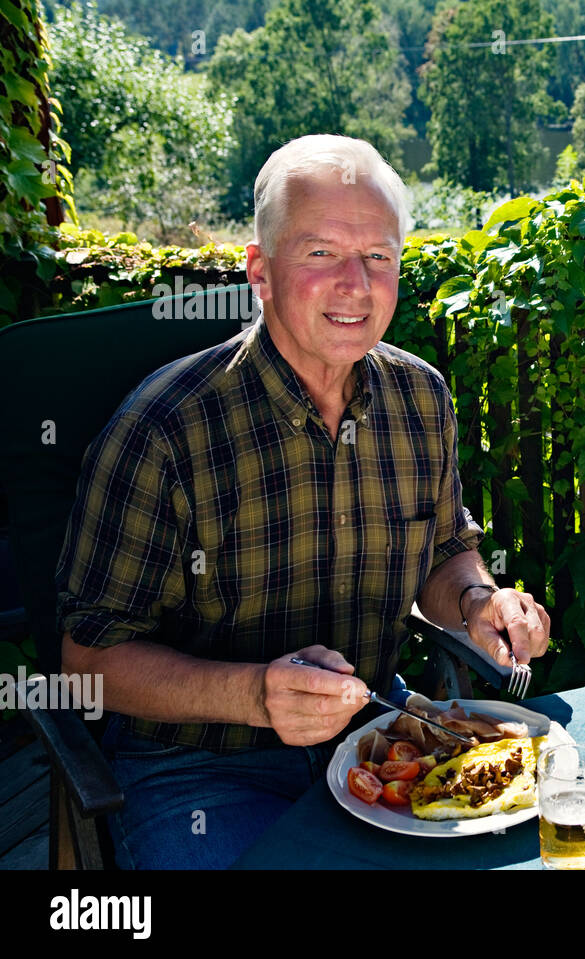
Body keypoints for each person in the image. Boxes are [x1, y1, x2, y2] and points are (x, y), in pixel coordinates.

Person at [56, 135, 550, 867]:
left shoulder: (421, 396)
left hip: (381, 741)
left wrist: (479, 601)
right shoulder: (162, 428)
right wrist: (256, 695)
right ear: (259, 269)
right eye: (321, 252)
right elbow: (86, 660)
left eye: (379, 256)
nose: (356, 283)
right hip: (201, 769)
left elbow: (446, 551)